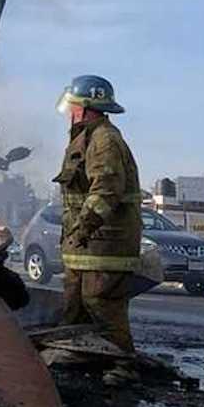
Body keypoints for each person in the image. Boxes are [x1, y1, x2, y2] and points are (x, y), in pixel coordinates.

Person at [52, 74, 142, 384]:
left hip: (106, 243)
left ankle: (123, 363)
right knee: (74, 302)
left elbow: (105, 189)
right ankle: (79, 349)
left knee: (102, 302)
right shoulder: (85, 136)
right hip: (84, 244)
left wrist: (85, 227)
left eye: (73, 105)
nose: (69, 111)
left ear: (86, 107)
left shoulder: (104, 140)